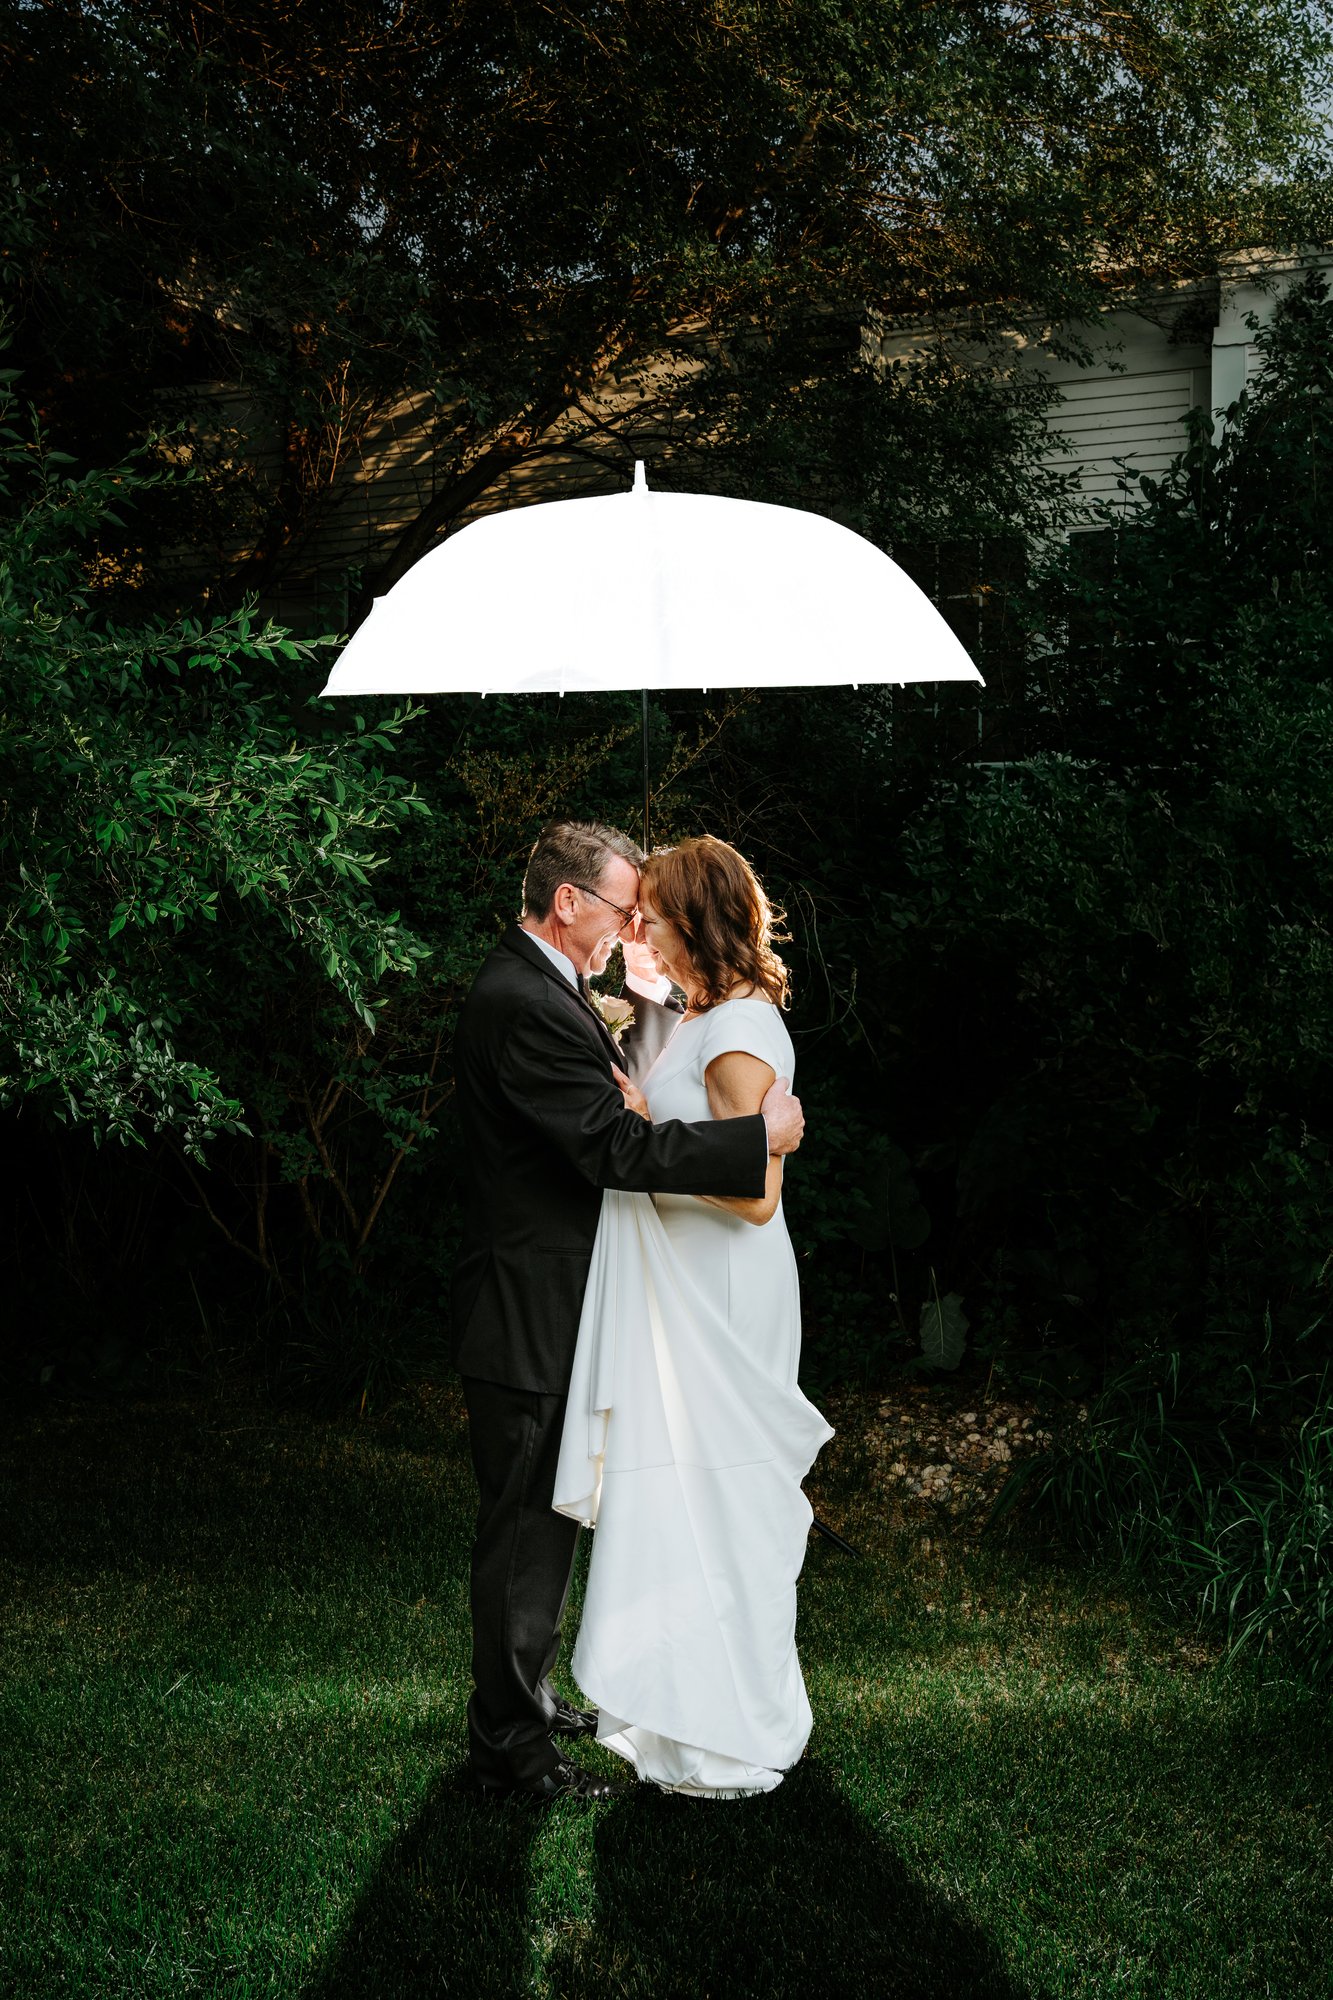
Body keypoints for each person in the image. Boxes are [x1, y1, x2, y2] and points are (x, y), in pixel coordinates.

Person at [452, 820, 806, 1801]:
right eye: (618, 909)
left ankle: (523, 1696)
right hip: (530, 1306)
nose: (627, 931)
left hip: (560, 1300)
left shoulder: (547, 988)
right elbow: (610, 1150)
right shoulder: (525, 999)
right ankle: (509, 1745)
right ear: (569, 902)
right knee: (524, 1529)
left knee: (543, 1522)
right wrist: (752, 1137)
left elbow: (618, 1103)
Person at [553, 834, 834, 1797]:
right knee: (682, 1497)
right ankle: (680, 1713)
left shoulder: (742, 1031)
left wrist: (645, 1131)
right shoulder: (701, 1016)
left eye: (655, 916)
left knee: (717, 1498)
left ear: (696, 919)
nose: (643, 930)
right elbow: (684, 1129)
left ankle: (729, 1729)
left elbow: (754, 1197)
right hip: (686, 1287)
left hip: (721, 1294)